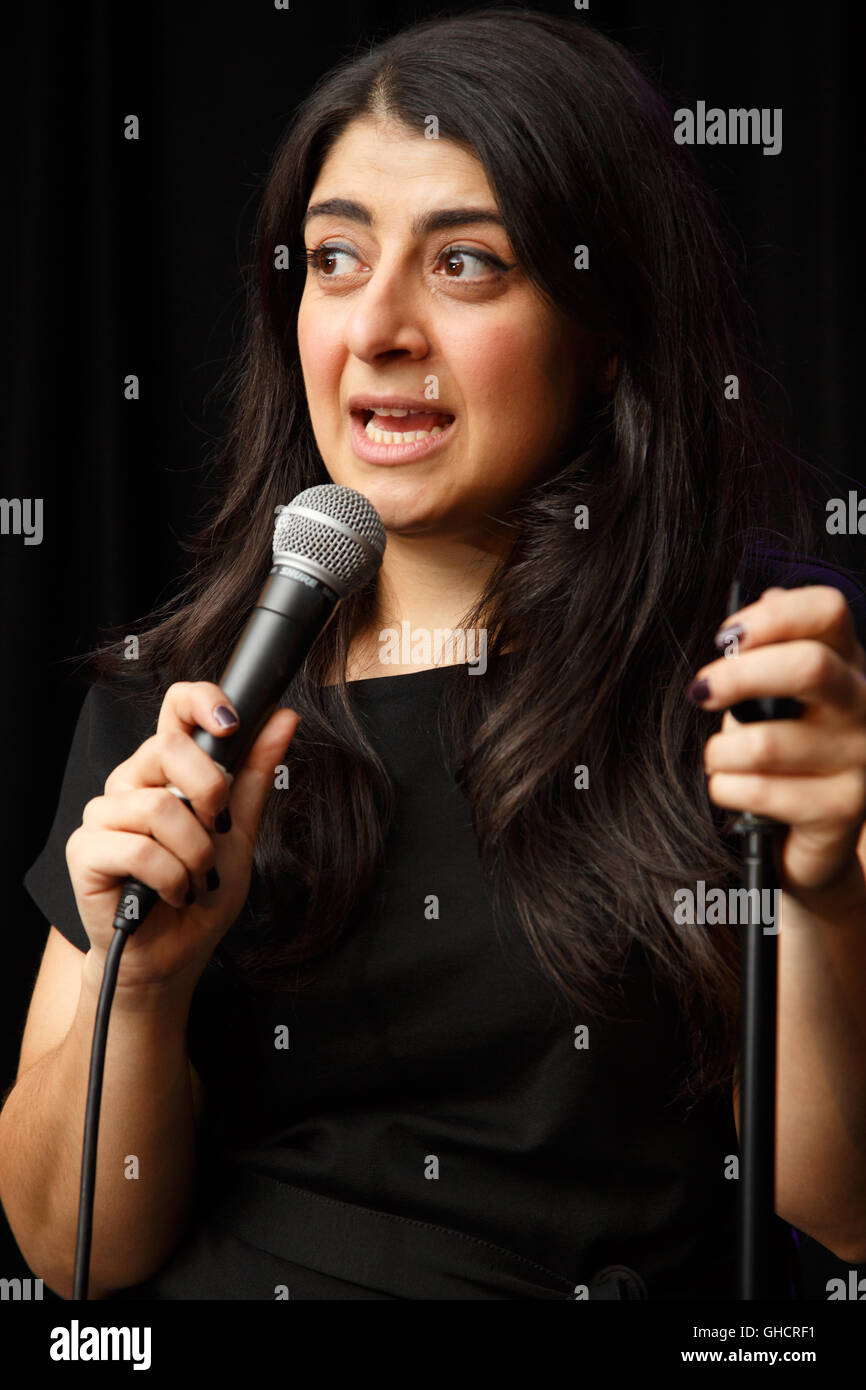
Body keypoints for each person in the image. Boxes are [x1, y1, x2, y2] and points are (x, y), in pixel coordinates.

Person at [3, 8, 866, 1301]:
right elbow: (70, 1256)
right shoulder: (175, 698)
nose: (378, 326)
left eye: (464, 265)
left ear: (606, 325)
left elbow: (841, 1206)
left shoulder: (761, 675)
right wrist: (144, 992)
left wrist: (824, 897)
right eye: (334, 258)